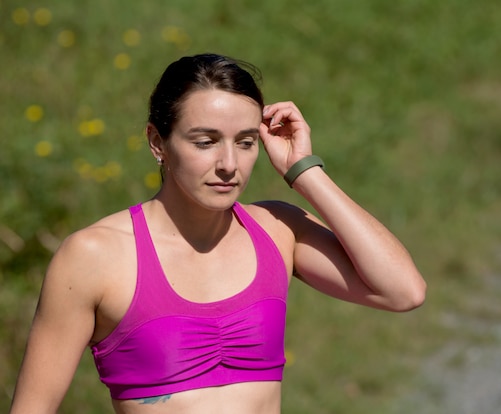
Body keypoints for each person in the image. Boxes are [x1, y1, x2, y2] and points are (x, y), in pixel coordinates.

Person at [10, 53, 426, 414]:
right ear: (158, 141)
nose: (229, 164)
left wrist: (305, 173)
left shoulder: (278, 230)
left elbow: (403, 291)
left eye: (245, 142)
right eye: (206, 141)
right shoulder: (94, 256)